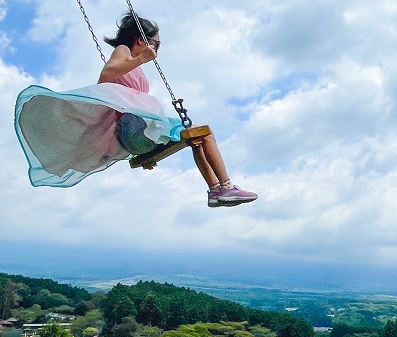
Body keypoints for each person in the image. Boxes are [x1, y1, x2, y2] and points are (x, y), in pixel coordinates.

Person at [15, 14, 257, 207]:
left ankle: (216, 190)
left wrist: (149, 149)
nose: (157, 50)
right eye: (156, 44)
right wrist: (140, 60)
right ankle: (225, 185)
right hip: (133, 129)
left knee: (196, 139)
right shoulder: (123, 52)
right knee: (206, 133)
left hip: (136, 132)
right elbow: (106, 76)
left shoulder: (132, 65)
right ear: (141, 41)